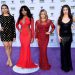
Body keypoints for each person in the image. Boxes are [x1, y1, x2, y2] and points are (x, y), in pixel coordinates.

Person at [13, 6, 39, 74]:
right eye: (22, 10)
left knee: (27, 48)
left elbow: (32, 29)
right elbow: (16, 25)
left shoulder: (31, 18)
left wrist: (33, 37)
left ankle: (26, 63)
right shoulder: (20, 17)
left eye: (25, 10)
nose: (23, 12)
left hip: (28, 35)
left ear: (27, 11)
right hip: (22, 35)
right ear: (21, 11)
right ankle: (22, 62)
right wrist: (19, 29)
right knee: (23, 48)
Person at [57, 5, 75, 72]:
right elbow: (58, 28)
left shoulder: (71, 17)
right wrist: (58, 36)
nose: (65, 11)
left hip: (69, 37)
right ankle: (64, 66)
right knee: (63, 52)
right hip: (62, 37)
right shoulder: (60, 18)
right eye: (64, 10)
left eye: (66, 9)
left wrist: (73, 27)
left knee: (68, 51)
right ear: (62, 10)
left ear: (68, 10)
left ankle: (69, 66)